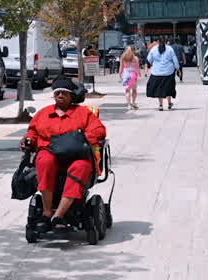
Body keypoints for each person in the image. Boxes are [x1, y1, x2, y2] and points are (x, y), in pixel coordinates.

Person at [19, 76, 107, 230]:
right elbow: (32, 133)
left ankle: (58, 215)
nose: (60, 95)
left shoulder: (83, 113)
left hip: (76, 154)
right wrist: (27, 140)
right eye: (57, 92)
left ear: (71, 96)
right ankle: (47, 212)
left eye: (64, 93)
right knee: (44, 161)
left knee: (81, 167)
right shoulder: (43, 114)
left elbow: (100, 130)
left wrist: (80, 139)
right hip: (49, 152)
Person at [146, 38, 180, 110]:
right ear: (165, 42)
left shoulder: (154, 49)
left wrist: (154, 64)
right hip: (168, 72)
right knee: (168, 88)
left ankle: (160, 105)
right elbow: (175, 60)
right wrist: (177, 68)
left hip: (156, 73)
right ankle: (169, 103)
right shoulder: (170, 49)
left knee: (159, 89)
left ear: (158, 42)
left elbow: (149, 59)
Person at [120, 46, 140, 110]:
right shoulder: (135, 58)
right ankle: (133, 103)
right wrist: (139, 74)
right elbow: (137, 67)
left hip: (126, 74)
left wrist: (120, 74)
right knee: (134, 90)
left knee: (127, 91)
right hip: (133, 75)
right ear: (133, 50)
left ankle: (129, 105)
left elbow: (121, 67)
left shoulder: (123, 57)